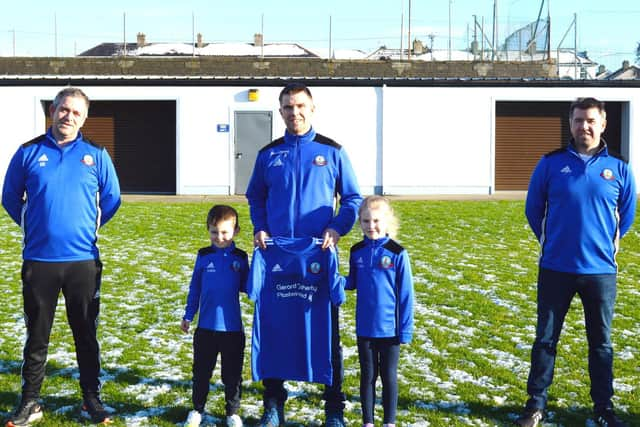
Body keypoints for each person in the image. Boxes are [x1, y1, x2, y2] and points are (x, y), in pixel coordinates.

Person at [2, 87, 121, 426]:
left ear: (84, 118)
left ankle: (90, 400)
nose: (68, 117)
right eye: (64, 110)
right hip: (39, 261)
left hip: (83, 261)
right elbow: (10, 197)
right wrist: (35, 227)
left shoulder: (96, 155)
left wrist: (84, 228)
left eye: (76, 113)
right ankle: (30, 401)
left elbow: (112, 200)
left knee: (85, 332)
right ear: (53, 110)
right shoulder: (28, 152)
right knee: (37, 335)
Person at [245, 82, 362, 427]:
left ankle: (333, 407)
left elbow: (353, 198)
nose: (294, 113)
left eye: (300, 106)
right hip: (278, 256)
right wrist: (260, 227)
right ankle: (273, 404)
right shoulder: (269, 154)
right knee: (274, 328)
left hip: (317, 256)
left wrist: (337, 228)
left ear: (312, 109)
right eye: (287, 107)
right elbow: (256, 197)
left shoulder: (333, 151)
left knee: (327, 330)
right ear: (279, 112)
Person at [516, 97, 636, 427]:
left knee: (601, 344)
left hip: (600, 273)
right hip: (556, 268)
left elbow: (625, 218)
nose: (584, 126)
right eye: (578, 120)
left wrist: (602, 248)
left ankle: (603, 409)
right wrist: (552, 243)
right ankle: (535, 406)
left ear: (603, 124)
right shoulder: (550, 164)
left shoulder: (620, 168)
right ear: (570, 123)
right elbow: (533, 210)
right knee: (545, 340)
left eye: (591, 120)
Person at [345, 196, 414, 427]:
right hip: (365, 327)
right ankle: (368, 421)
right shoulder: (356, 251)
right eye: (365, 221)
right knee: (367, 376)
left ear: (386, 222)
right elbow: (351, 282)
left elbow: (406, 296)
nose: (371, 226)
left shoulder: (397, 253)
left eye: (376, 220)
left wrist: (405, 330)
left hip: (390, 329)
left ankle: (389, 422)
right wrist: (331, 277)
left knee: (388, 377)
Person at [181, 205, 249, 427]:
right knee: (201, 373)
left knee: (232, 375)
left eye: (225, 232)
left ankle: (232, 412)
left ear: (235, 231)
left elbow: (249, 288)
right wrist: (188, 315)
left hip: (232, 330)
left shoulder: (241, 258)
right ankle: (197, 409)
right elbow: (195, 289)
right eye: (214, 232)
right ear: (208, 230)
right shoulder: (203, 256)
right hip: (206, 329)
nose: (219, 237)